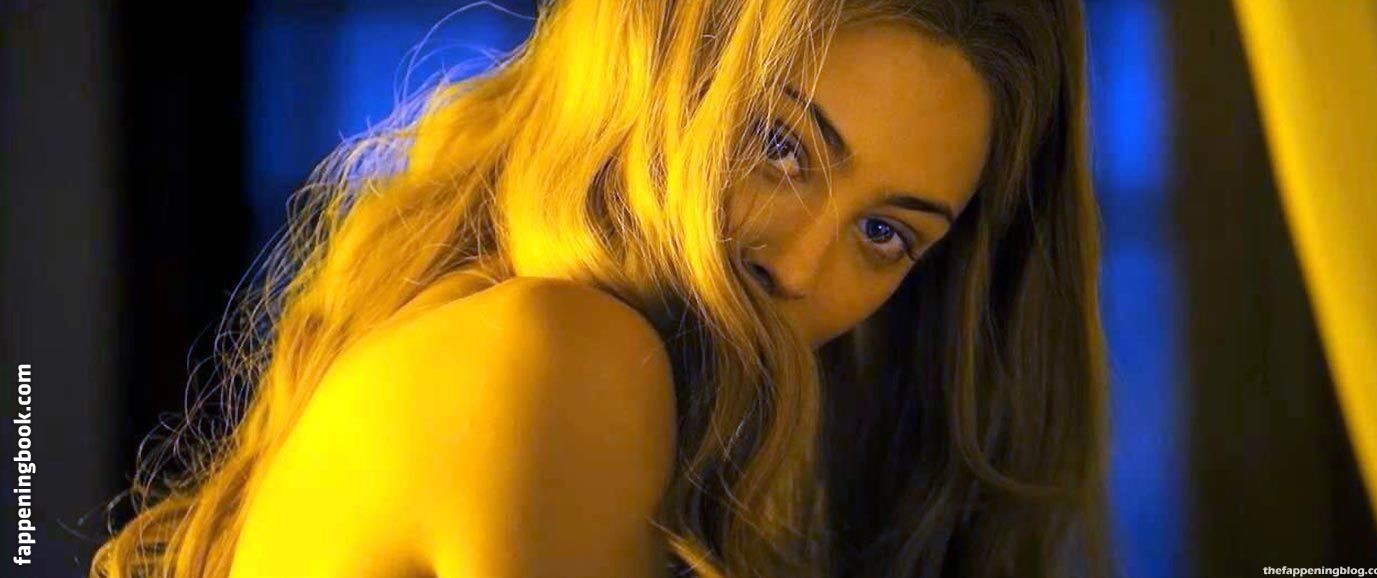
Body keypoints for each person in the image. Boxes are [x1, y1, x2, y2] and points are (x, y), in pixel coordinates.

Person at [92, 0, 1114, 576]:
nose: (798, 267)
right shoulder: (562, 354)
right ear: (651, 72)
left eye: (884, 233)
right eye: (777, 144)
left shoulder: (516, 346)